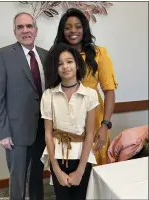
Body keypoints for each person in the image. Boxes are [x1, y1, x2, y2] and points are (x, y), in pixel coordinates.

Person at [0, 12, 48, 200]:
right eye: (20, 27)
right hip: (15, 131)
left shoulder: (45, 55)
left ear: (36, 30)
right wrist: (2, 131)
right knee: (18, 178)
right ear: (14, 32)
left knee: (37, 176)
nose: (25, 30)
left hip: (43, 129)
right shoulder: (2, 55)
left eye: (29, 26)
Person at [54, 8, 118, 165]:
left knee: (96, 164)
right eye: (68, 27)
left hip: (95, 118)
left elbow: (109, 91)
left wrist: (105, 125)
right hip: (66, 119)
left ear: (84, 29)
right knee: (70, 164)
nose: (73, 31)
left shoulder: (99, 54)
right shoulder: (56, 55)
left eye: (78, 26)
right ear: (62, 31)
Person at [40, 43, 99, 200]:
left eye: (69, 61)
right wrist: (57, 170)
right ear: (55, 69)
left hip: (82, 156)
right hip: (58, 155)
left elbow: (90, 133)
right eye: (59, 64)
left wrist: (80, 170)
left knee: (80, 196)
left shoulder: (90, 95)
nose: (65, 66)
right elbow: (48, 133)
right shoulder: (49, 95)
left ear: (78, 64)